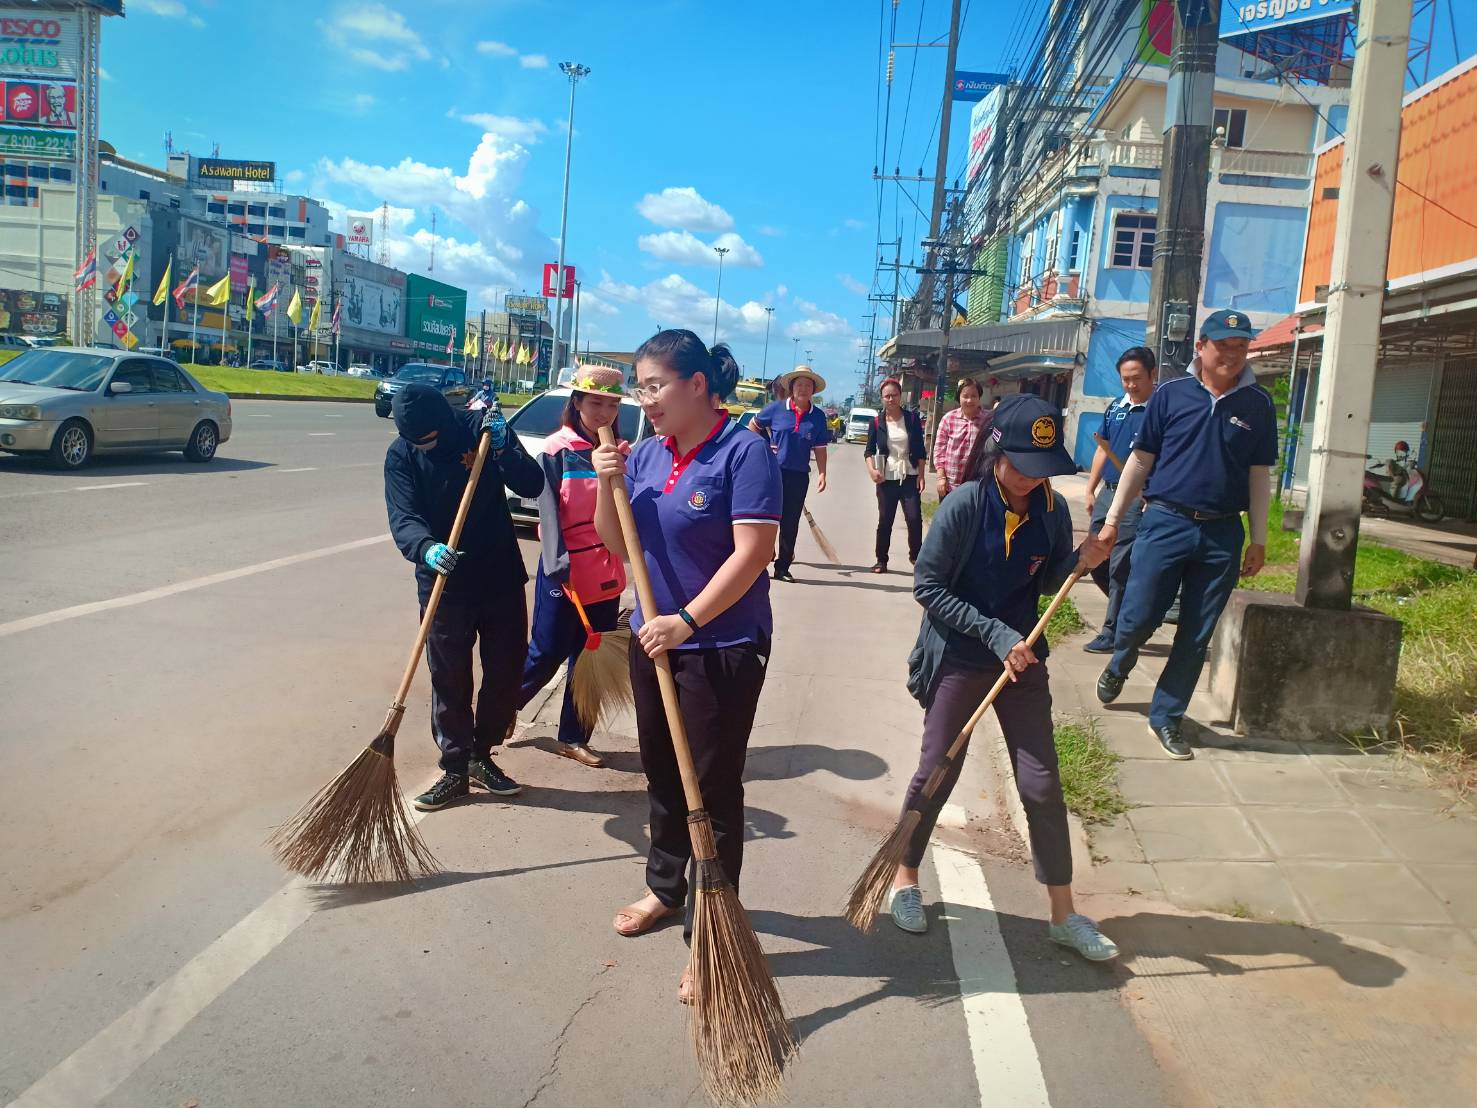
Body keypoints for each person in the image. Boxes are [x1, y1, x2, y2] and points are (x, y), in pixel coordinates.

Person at [591, 329, 782, 1003]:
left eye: (652, 385)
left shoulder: (743, 452)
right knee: (663, 776)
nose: (641, 400)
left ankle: (712, 928)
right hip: (653, 642)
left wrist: (688, 621)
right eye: (637, 386)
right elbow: (621, 545)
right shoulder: (643, 454)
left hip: (719, 647)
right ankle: (664, 888)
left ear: (696, 385)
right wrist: (604, 487)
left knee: (710, 788)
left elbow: (753, 551)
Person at [892, 394, 1117, 960]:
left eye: (1043, 469)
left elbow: (1045, 587)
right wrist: (995, 635)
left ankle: (1064, 915)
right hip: (962, 659)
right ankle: (904, 878)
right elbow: (929, 587)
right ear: (997, 454)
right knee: (936, 772)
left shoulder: (1051, 510)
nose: (1033, 479)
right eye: (1023, 466)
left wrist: (1083, 562)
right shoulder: (966, 506)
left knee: (1041, 784)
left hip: (1023, 663)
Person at [1095, 310, 1277, 760]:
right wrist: (1113, 519)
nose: (1233, 354)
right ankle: (1122, 658)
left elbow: (1258, 474)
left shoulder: (1258, 403)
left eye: (1241, 346)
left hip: (1221, 534)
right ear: (1201, 346)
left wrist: (1259, 538)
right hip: (1164, 522)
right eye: (1223, 345)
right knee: (1137, 617)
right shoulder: (1172, 395)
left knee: (1196, 634)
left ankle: (1167, 716)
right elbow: (1140, 460)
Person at [385, 383, 545, 811]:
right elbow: (404, 517)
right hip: (444, 583)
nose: (426, 447)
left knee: (506, 672)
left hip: (498, 577)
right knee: (449, 677)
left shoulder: (482, 430)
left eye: (432, 439)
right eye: (418, 442)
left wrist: (506, 446)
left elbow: (532, 482)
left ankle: (481, 754)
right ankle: (455, 767)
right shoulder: (401, 456)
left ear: (445, 420)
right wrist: (425, 547)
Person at [516, 366, 629, 768]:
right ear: (577, 402)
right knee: (546, 651)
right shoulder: (555, 450)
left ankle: (573, 737)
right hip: (562, 570)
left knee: (591, 658)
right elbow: (548, 512)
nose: (603, 411)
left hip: (606, 572)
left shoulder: (621, 452)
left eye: (612, 404)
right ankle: (502, 711)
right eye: (595, 401)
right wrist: (557, 563)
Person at [1081, 347, 1156, 653]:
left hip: (1137, 498)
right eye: (1125, 379)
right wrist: (1090, 487)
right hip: (1108, 493)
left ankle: (1112, 631)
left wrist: (1154, 495)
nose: (1130, 385)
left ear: (1153, 375)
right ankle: (1129, 616)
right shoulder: (1116, 408)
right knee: (1094, 559)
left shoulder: (1159, 411)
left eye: (1136, 378)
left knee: (1121, 566)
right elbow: (1104, 448)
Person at [753, 364, 831, 583]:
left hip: (798, 476)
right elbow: (754, 426)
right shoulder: (776, 409)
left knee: (790, 522)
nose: (803, 389)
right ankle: (759, 562)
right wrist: (763, 447)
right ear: (792, 387)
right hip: (771, 473)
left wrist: (823, 473)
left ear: (813, 390)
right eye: (799, 384)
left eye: (808, 385)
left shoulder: (818, 417)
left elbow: (821, 448)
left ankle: (782, 567)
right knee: (766, 518)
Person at [865, 376, 926, 573]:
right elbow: (868, 451)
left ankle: (916, 557)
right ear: (882, 398)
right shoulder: (876, 422)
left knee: (914, 518)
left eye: (895, 395)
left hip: (909, 475)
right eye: (887, 396)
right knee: (885, 521)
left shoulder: (912, 419)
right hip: (886, 477)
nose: (891, 399)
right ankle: (881, 560)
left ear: (901, 397)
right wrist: (872, 470)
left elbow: (921, 450)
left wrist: (921, 475)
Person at [931, 377, 990, 500]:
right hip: (950, 486)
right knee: (949, 519)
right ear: (959, 398)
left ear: (979, 397)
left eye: (974, 396)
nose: (969, 400)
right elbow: (939, 450)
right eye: (965, 396)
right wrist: (941, 478)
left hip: (977, 486)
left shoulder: (988, 420)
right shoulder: (948, 419)